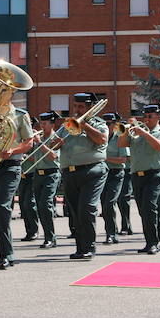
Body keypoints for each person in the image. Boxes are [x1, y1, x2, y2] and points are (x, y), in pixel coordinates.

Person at [0, 94, 34, 270]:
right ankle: (5, 253)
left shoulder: (20, 115)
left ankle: (6, 254)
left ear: (11, 94)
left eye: (5, 92)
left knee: (2, 209)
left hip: (11, 166)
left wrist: (13, 150)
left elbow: (29, 143)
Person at [59, 92, 108, 260]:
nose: (77, 110)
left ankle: (89, 247)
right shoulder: (68, 124)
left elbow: (101, 139)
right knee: (74, 211)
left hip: (92, 171)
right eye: (75, 106)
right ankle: (81, 247)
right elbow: (55, 140)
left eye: (81, 107)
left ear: (90, 108)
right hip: (70, 172)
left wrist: (84, 125)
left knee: (86, 209)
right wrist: (56, 143)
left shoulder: (99, 124)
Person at [119, 104, 160, 255]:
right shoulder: (136, 133)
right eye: (145, 116)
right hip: (136, 175)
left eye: (150, 116)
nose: (146, 119)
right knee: (143, 210)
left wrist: (144, 133)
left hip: (154, 175)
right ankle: (157, 230)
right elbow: (121, 144)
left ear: (158, 117)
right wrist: (125, 130)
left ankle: (152, 243)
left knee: (148, 207)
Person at [32, 111, 62, 248]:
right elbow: (34, 159)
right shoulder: (39, 137)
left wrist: (39, 143)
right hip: (38, 174)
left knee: (45, 204)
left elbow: (53, 156)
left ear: (52, 124)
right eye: (41, 123)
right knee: (40, 207)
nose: (41, 126)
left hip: (52, 173)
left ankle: (51, 237)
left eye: (44, 124)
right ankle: (48, 236)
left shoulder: (56, 138)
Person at [100, 112, 128, 245]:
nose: (106, 126)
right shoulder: (100, 137)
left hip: (115, 173)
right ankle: (111, 230)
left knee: (109, 203)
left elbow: (123, 160)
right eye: (104, 123)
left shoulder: (120, 137)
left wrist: (105, 158)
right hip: (101, 173)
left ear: (114, 124)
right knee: (104, 205)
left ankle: (111, 234)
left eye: (109, 124)